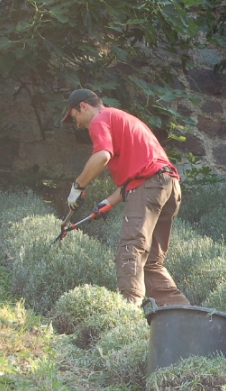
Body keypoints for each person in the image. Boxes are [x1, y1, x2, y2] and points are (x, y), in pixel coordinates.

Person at [60, 88, 189, 307]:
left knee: (131, 250)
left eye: (75, 118)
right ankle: (183, 315)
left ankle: (128, 311)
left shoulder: (100, 119)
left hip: (151, 185)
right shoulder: (123, 119)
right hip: (169, 185)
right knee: (151, 263)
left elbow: (102, 156)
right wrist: (106, 204)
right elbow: (136, 180)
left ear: (83, 106)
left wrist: (77, 187)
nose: (78, 125)